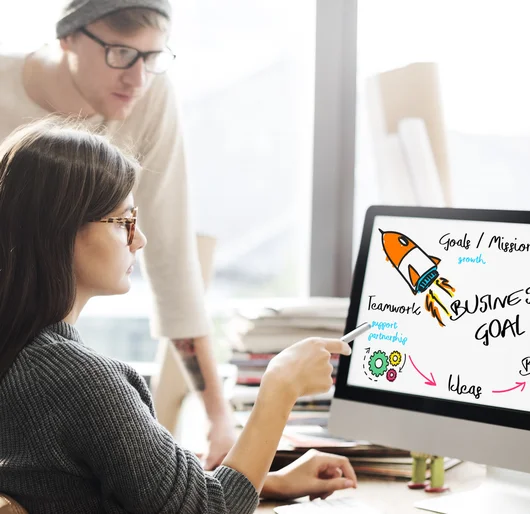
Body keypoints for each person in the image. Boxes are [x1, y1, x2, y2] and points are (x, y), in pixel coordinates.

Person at [0, 118, 357, 513]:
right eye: (124, 222)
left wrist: (266, 482)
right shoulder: (79, 381)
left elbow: (99, 489)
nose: (140, 240)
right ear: (61, 231)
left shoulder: (22, 358)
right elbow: (208, 510)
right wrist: (280, 388)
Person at [0, 0, 237, 468]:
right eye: (121, 53)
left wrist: (218, 417)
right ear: (67, 37)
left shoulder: (150, 94)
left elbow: (170, 258)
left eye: (153, 58)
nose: (138, 78)